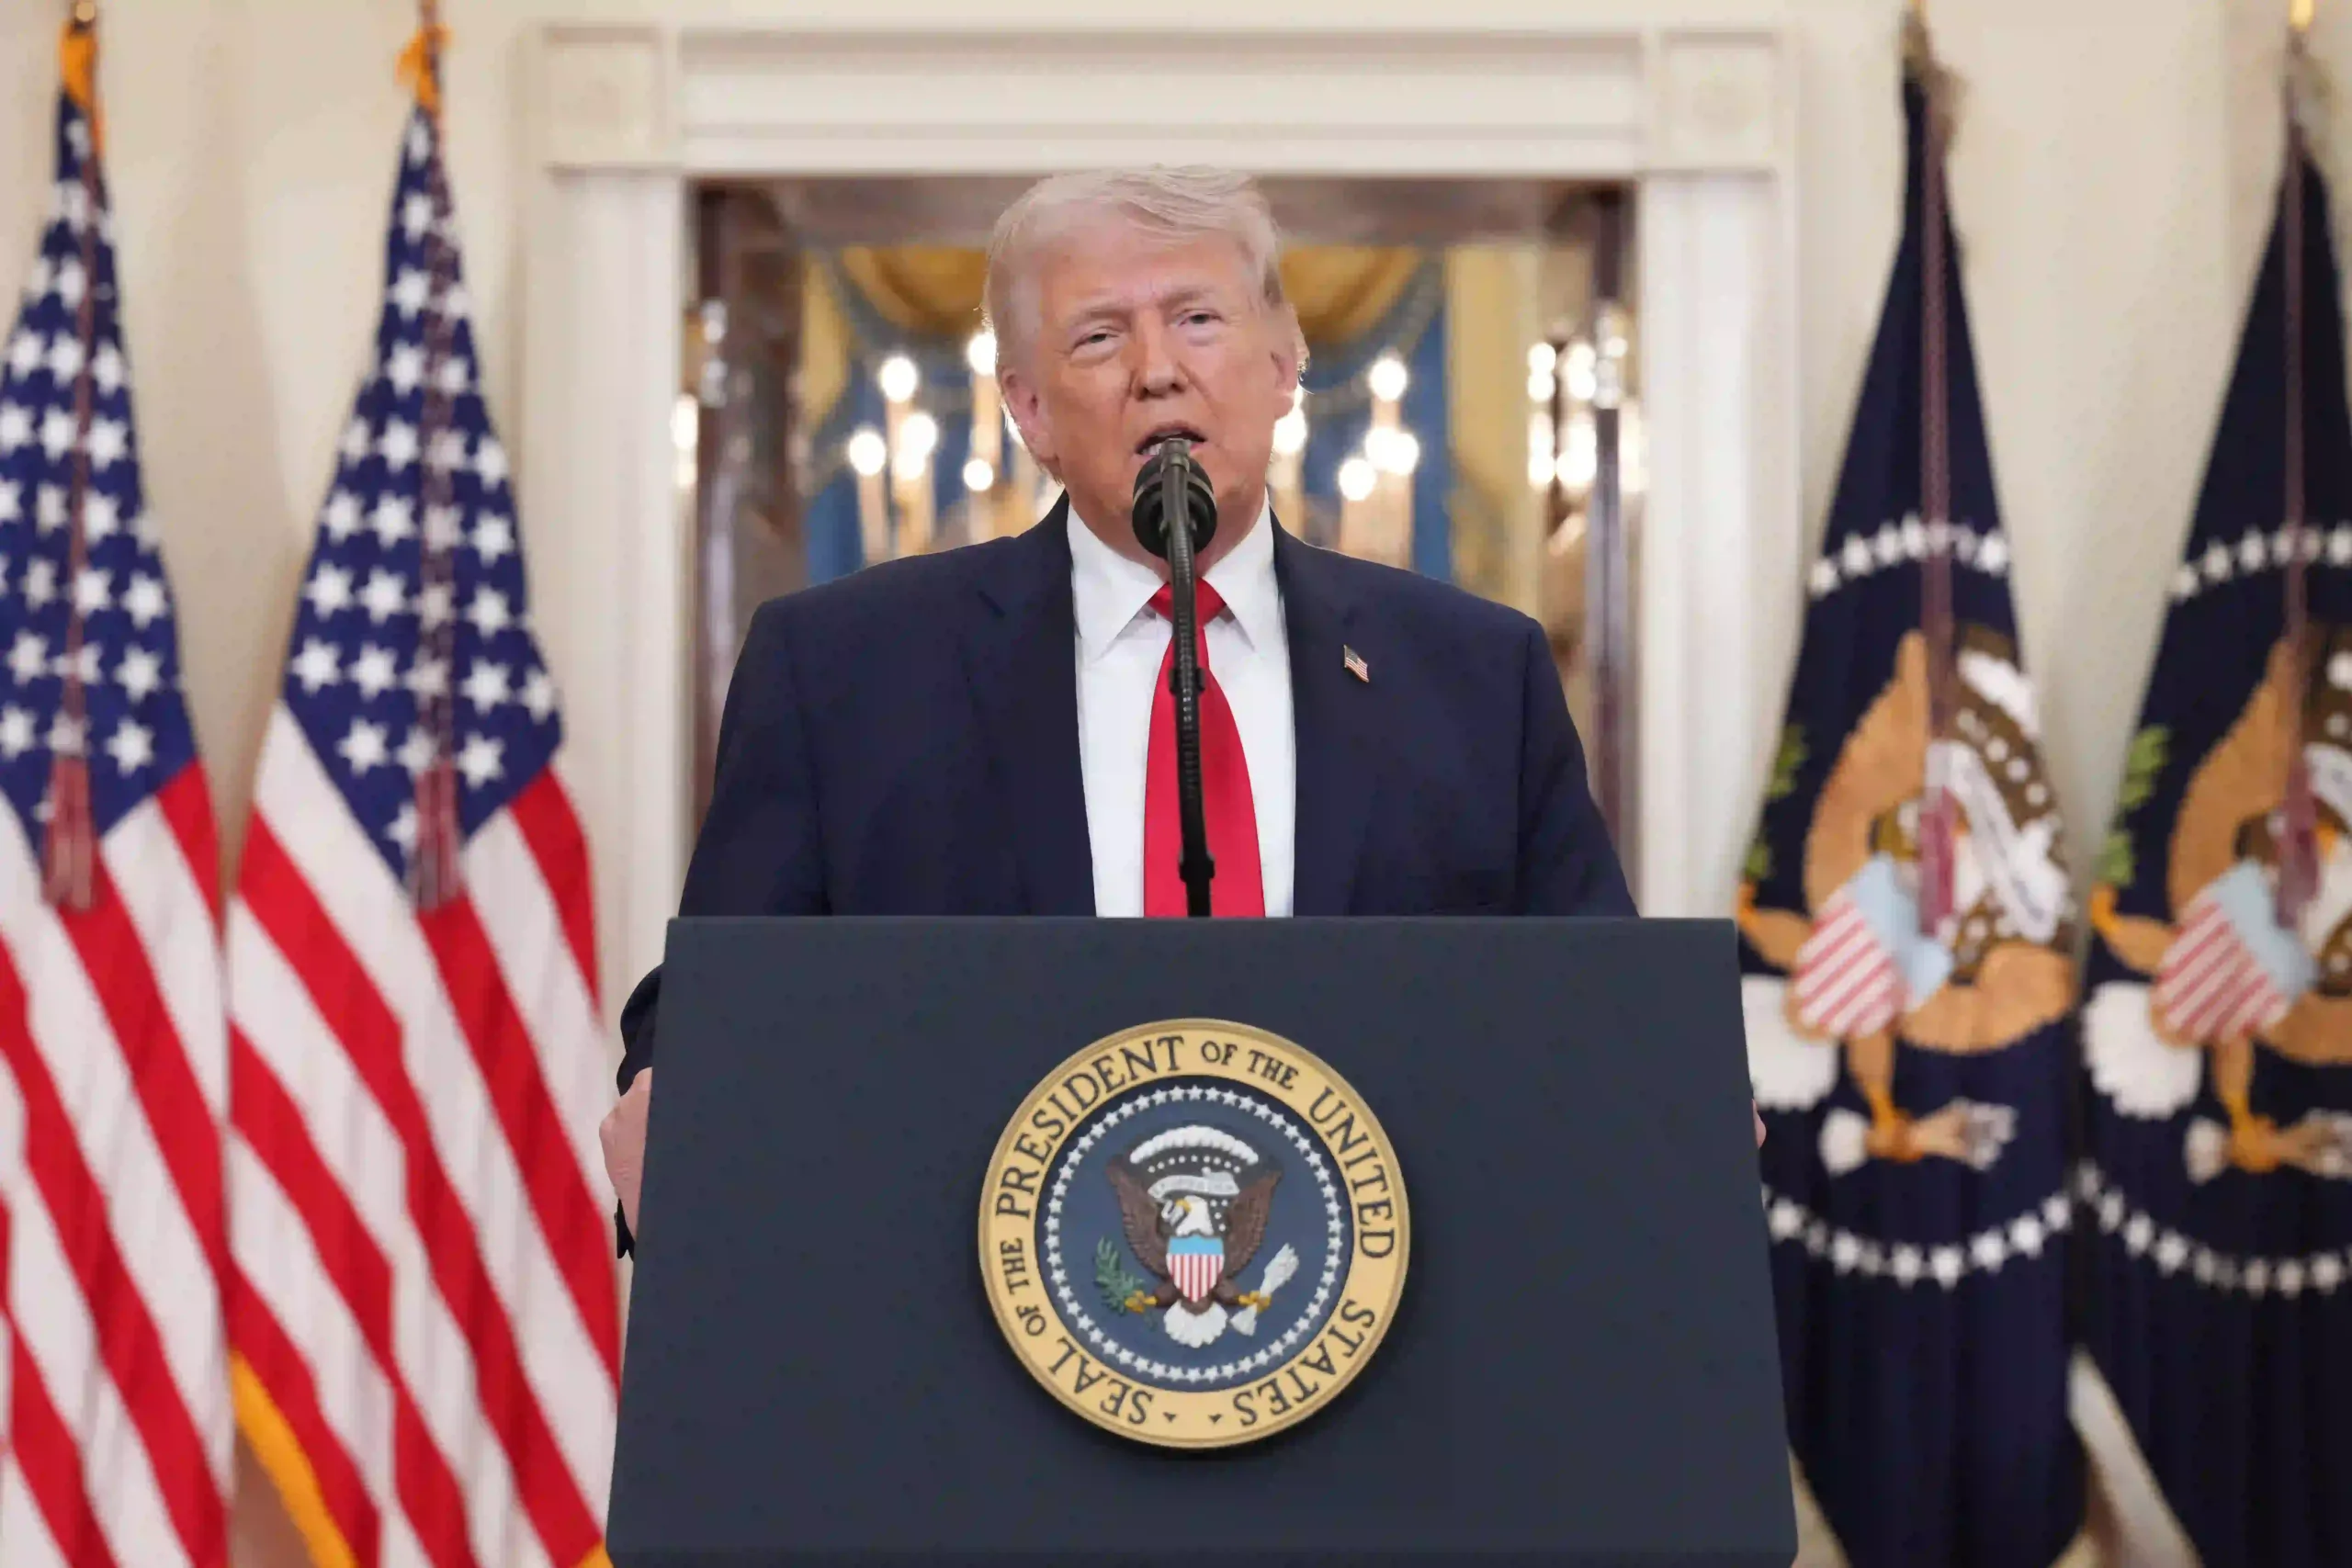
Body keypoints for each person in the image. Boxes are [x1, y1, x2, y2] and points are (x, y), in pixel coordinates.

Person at [600, 166, 1715, 1245]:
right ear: (1029, 411)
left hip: (1389, 1349)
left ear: (1286, 366)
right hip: (966, 1347)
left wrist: (1667, 1094)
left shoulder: (1474, 675)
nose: (1157, 371)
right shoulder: (844, 671)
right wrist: (675, 1094)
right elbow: (718, 1001)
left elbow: (1588, 1005)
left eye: (1197, 320)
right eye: (1098, 335)